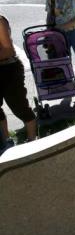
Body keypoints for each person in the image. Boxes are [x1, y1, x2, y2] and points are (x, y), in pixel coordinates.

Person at [0, 14, 37, 147]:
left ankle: (32, 140)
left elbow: (8, 50)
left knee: (19, 107)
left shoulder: (0, 20)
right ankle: (6, 141)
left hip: (8, 69)